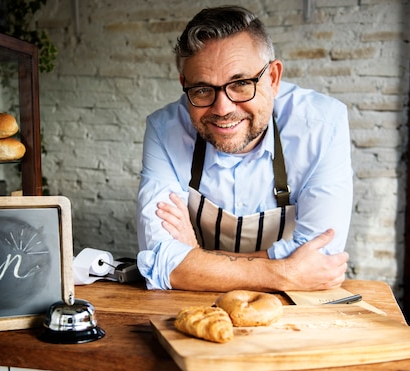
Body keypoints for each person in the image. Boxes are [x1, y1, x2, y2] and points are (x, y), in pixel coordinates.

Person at [136, 6, 352, 292]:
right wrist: (285, 272)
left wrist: (196, 258)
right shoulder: (164, 130)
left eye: (240, 84)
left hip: (294, 314)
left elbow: (320, 261)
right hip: (191, 309)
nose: (223, 109)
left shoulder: (322, 125)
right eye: (202, 90)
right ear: (184, 85)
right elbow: (160, 262)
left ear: (273, 78)